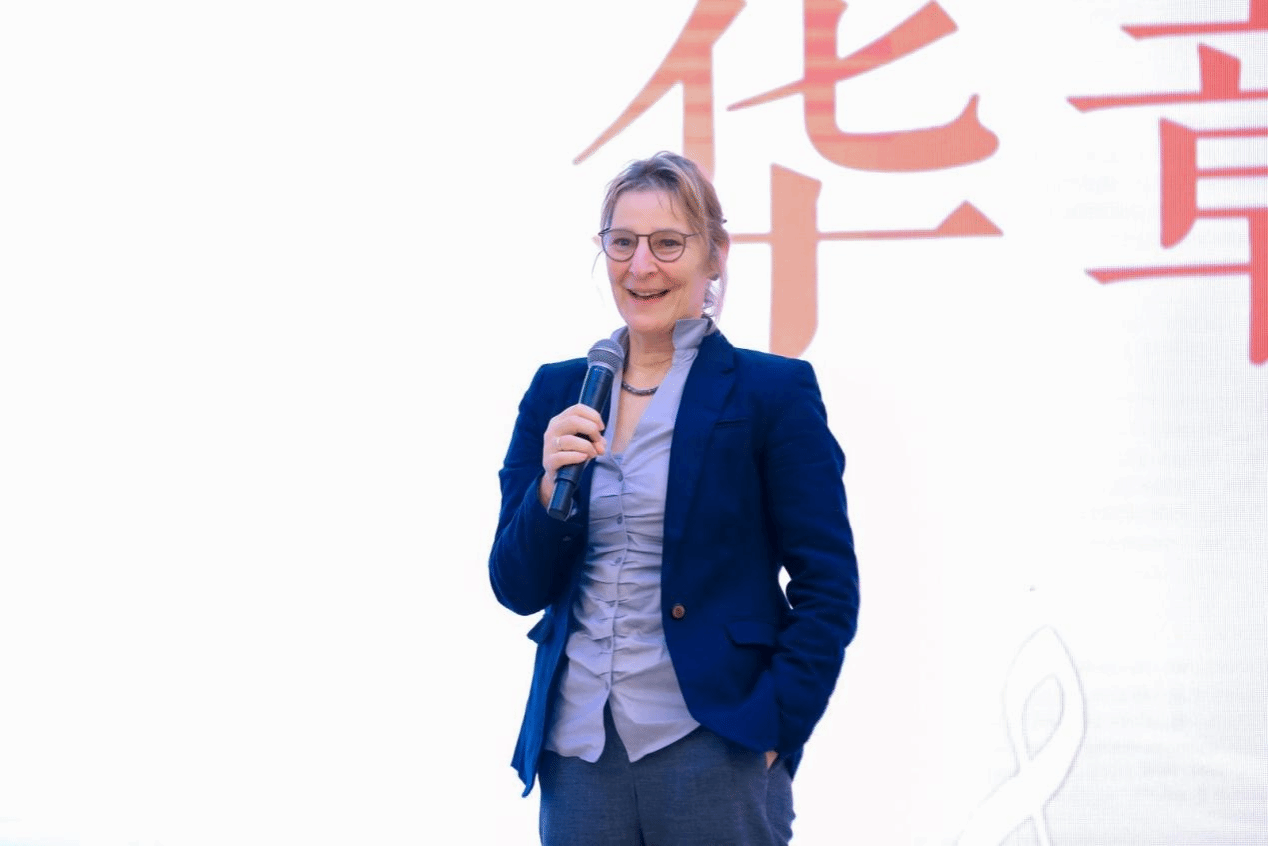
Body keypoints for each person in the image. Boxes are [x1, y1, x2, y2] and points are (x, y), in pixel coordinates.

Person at [489, 151, 859, 845]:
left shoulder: (771, 394)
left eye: (667, 243)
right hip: (578, 752)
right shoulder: (557, 391)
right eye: (622, 242)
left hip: (714, 745)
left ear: (714, 255)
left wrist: (775, 729)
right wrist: (544, 487)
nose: (641, 266)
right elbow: (515, 586)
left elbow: (829, 584)